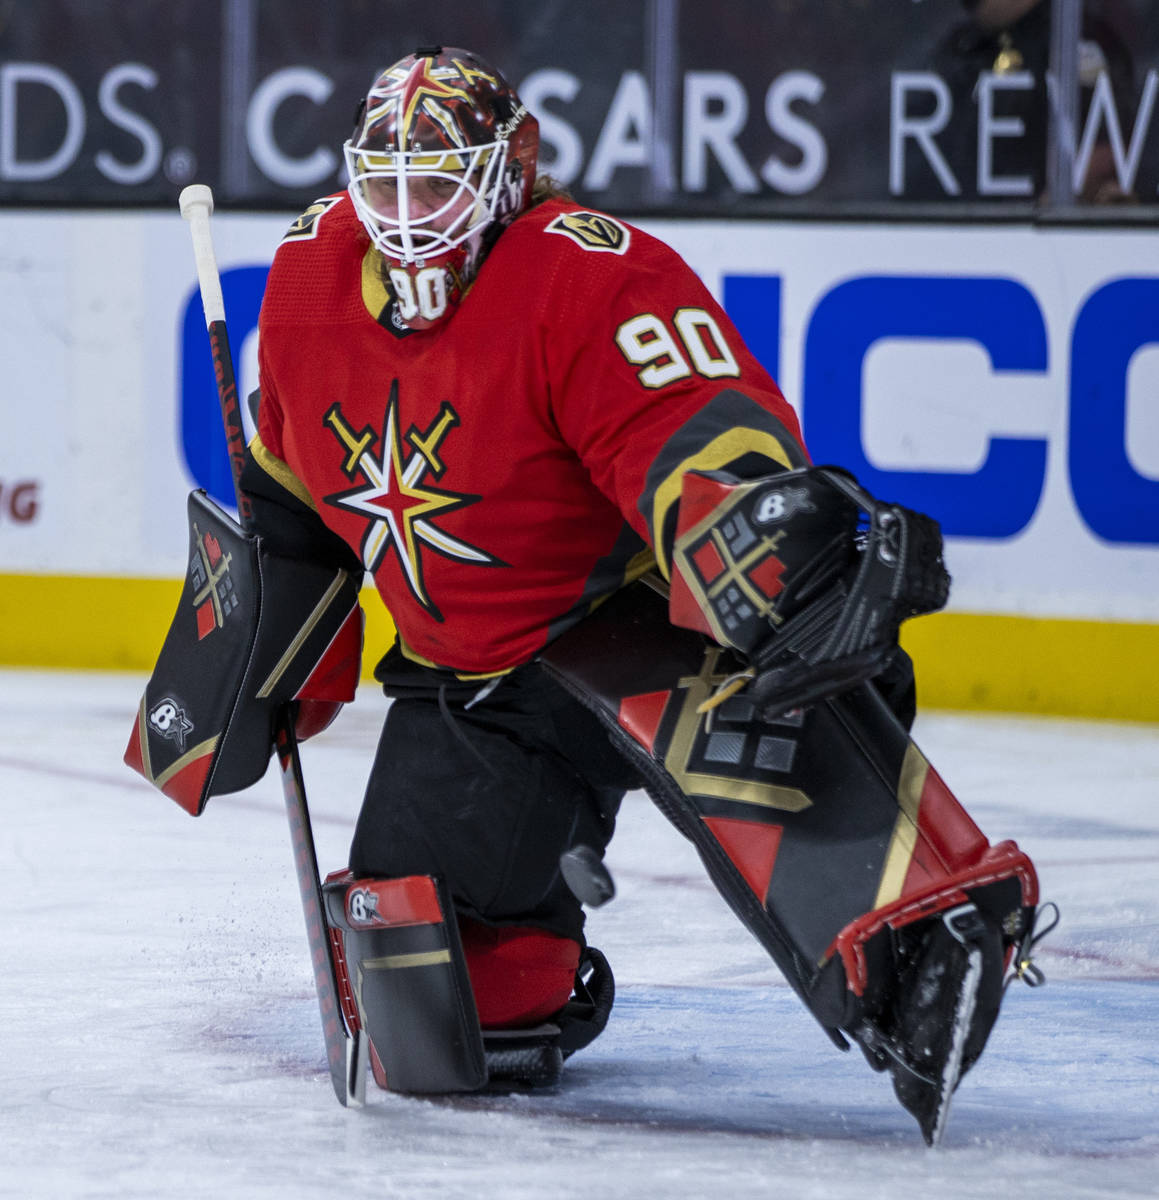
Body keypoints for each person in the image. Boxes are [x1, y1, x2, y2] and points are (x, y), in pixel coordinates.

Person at [234, 46, 1043, 1141]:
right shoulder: (309, 279)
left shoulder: (586, 273)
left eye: (438, 181)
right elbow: (289, 481)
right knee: (438, 1002)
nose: (408, 211)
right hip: (472, 673)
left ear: (511, 168)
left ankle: (923, 928)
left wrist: (760, 548)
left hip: (648, 625)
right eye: (385, 182)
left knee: (775, 695)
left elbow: (693, 431)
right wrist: (271, 651)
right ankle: (543, 953)